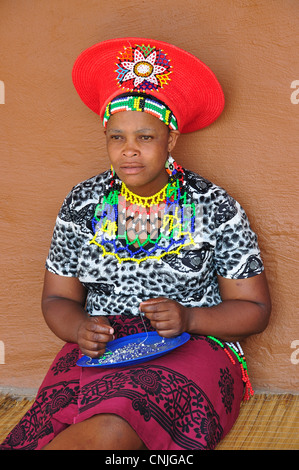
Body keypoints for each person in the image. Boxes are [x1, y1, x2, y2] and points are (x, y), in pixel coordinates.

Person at [0, 37, 271, 451]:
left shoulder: (214, 205)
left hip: (195, 345)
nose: (128, 151)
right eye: (116, 137)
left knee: (113, 426)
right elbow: (58, 297)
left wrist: (189, 318)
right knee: (55, 426)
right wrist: (78, 329)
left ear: (171, 139)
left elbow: (254, 309)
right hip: (103, 347)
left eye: (144, 137)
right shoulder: (82, 203)